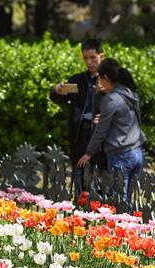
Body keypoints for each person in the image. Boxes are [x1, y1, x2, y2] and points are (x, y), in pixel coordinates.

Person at [77, 59, 146, 201]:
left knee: (119, 200)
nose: (100, 84)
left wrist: (89, 153)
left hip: (121, 154)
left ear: (106, 78)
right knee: (129, 198)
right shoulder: (130, 93)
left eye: (100, 79)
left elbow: (101, 131)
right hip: (137, 151)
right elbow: (134, 120)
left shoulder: (112, 98)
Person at [50, 39, 106, 196]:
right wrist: (58, 91)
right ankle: (80, 203)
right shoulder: (77, 80)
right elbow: (57, 98)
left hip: (99, 134)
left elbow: (125, 102)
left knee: (99, 173)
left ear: (102, 56)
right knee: (79, 171)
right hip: (79, 132)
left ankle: (100, 206)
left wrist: (108, 91)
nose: (89, 62)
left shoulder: (110, 79)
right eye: (85, 58)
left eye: (93, 57)